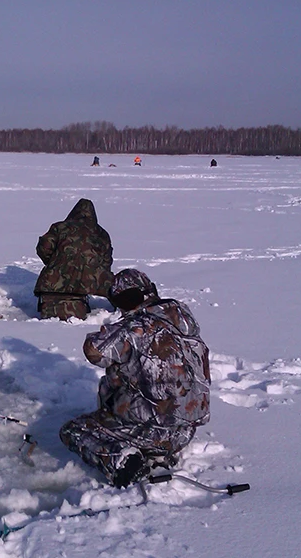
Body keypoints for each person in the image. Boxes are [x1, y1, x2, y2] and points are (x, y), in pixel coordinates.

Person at [60, 269, 211, 487]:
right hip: (184, 433)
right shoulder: (182, 320)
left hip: (151, 431)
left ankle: (122, 462)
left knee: (73, 430)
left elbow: (94, 351)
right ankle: (157, 452)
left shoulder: (137, 327)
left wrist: (114, 329)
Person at [34, 198, 113, 320]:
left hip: (51, 287)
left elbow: (44, 247)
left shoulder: (60, 227)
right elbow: (106, 262)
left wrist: (54, 264)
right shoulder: (101, 234)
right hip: (82, 289)